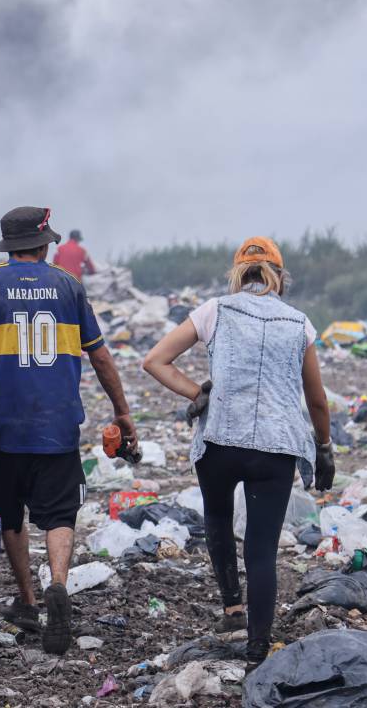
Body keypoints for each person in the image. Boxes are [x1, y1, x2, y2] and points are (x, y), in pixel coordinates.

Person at [0, 206, 138, 655]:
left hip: (4, 430)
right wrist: (122, 413)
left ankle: (28, 602)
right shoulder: (69, 286)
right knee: (60, 513)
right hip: (59, 428)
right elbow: (101, 356)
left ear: (9, 246)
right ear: (45, 243)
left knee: (10, 515)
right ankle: (59, 585)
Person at [141, 237, 335, 667]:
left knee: (217, 518)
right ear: (279, 277)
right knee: (262, 551)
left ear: (237, 274)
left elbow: (155, 360)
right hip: (276, 447)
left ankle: (232, 608)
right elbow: (317, 399)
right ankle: (257, 652)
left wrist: (197, 392)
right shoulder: (298, 323)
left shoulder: (215, 310)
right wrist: (323, 447)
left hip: (220, 442)